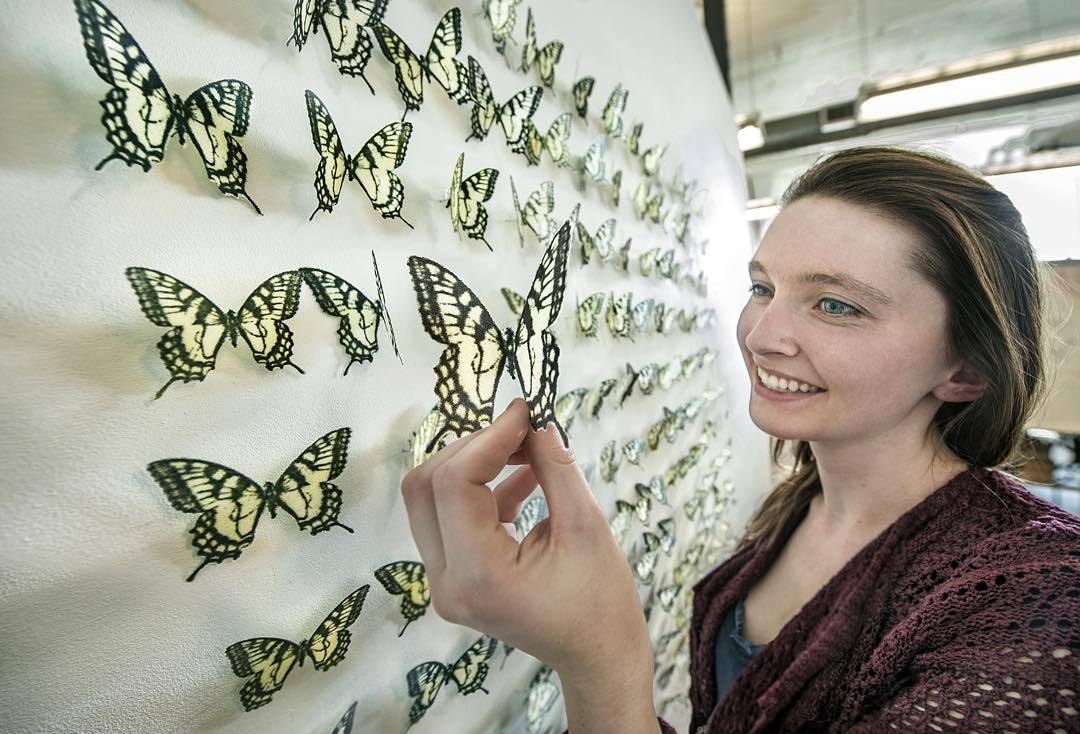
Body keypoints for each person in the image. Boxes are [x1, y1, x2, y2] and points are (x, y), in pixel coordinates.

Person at [399, 147, 1080, 733]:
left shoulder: (1041, 597)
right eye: (763, 287)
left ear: (966, 369)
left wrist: (602, 655)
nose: (760, 336)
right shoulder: (793, 509)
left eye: (836, 305)